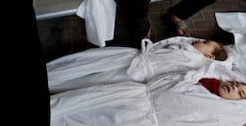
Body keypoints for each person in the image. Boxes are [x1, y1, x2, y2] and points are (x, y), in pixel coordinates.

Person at [49, 63, 246, 126]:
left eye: (241, 93)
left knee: (85, 123)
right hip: (136, 93)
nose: (235, 87)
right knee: (78, 99)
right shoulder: (201, 75)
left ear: (238, 106)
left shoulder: (217, 113)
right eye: (238, 83)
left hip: (142, 119)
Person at [48, 36, 233, 93]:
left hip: (136, 72)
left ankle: (54, 84)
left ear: (209, 56)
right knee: (89, 63)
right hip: (132, 58)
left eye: (204, 42)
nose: (198, 40)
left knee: (97, 79)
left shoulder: (195, 61)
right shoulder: (188, 50)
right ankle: (52, 74)